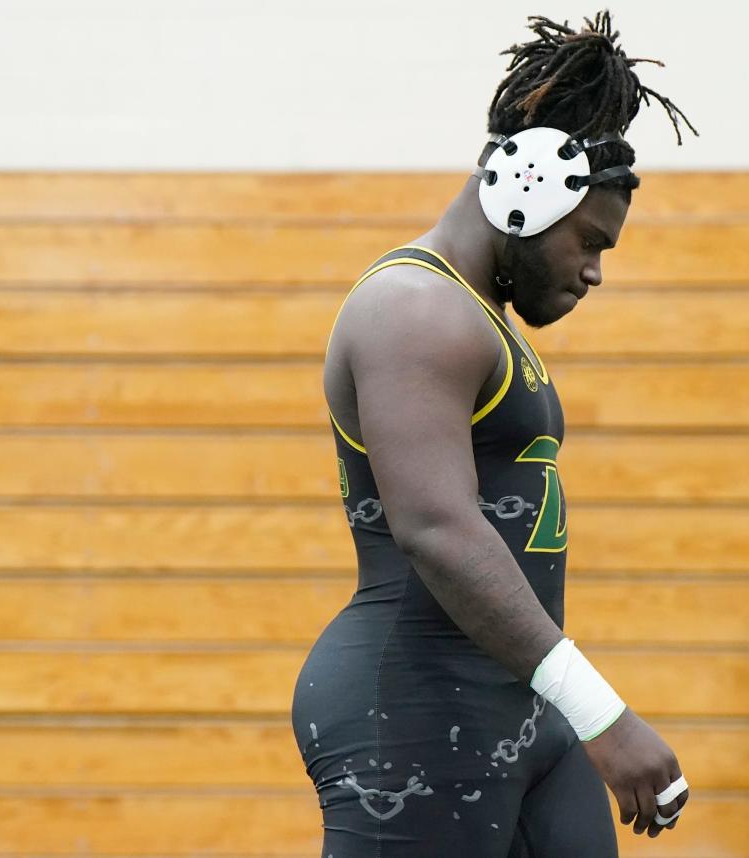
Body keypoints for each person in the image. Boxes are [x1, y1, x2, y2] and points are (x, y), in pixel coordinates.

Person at [290, 11, 698, 857]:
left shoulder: (480, 318)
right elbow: (436, 529)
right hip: (410, 709)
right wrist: (602, 711)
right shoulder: (416, 308)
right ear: (528, 189)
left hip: (512, 702)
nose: (594, 270)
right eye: (591, 242)